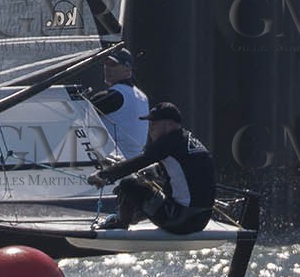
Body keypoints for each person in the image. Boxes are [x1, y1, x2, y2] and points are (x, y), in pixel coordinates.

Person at [86, 101, 214, 235]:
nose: (150, 129)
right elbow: (186, 172)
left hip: (179, 221)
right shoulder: (188, 140)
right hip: (201, 219)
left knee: (129, 184)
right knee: (145, 184)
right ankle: (136, 214)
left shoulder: (168, 142)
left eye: (153, 125)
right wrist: (152, 170)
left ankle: (120, 224)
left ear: (169, 124)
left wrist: (104, 175)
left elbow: (140, 161)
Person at [88, 49, 149, 158]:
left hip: (114, 162)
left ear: (127, 69)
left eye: (113, 64)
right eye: (106, 64)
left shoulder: (115, 96)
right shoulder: (143, 97)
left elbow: (80, 111)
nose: (107, 68)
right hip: (134, 160)